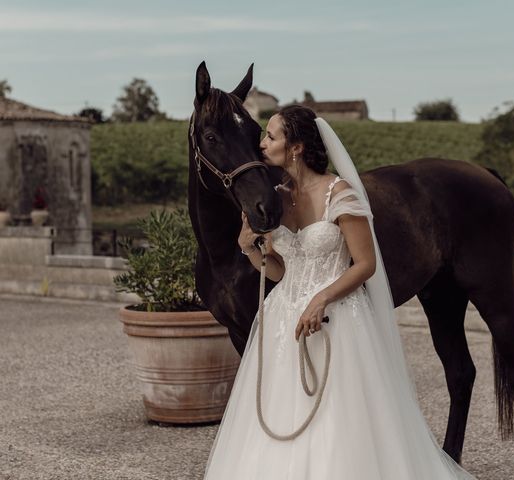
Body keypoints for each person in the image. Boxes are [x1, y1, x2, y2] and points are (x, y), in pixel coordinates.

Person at [203, 105, 475, 479]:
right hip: (286, 319)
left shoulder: (339, 193)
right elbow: (282, 271)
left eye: (270, 135)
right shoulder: (278, 198)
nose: (261, 143)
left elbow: (365, 265)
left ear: (295, 146)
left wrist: (322, 298)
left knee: (339, 416)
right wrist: (249, 247)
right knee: (283, 409)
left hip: (338, 318)